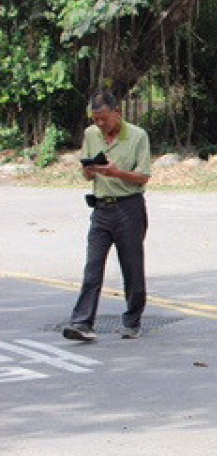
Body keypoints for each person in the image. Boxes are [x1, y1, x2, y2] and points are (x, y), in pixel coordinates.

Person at [62, 91, 153, 342]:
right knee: (92, 267)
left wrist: (116, 172)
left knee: (131, 267)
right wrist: (90, 172)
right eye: (95, 119)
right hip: (101, 209)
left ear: (117, 113)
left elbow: (143, 176)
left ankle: (132, 321)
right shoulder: (91, 135)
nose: (100, 124)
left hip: (129, 208)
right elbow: (86, 173)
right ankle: (81, 322)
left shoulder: (137, 136)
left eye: (104, 119)